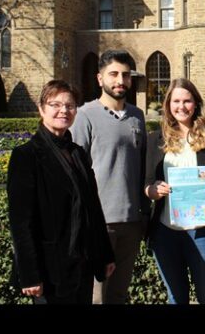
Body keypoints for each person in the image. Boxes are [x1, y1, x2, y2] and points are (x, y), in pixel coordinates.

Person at [7, 79, 115, 304]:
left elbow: (92, 207)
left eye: (70, 105)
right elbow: (21, 222)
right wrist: (29, 274)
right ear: (41, 109)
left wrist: (104, 254)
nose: (63, 110)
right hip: (50, 268)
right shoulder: (26, 156)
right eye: (55, 104)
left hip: (82, 264)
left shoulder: (78, 154)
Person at [70, 49, 149, 304]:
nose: (120, 81)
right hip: (99, 222)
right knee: (97, 296)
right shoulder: (84, 116)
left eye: (125, 75)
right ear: (100, 78)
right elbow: (76, 171)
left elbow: (142, 167)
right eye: (113, 74)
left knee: (118, 294)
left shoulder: (137, 116)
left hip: (131, 221)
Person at [144, 78, 205, 304]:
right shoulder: (155, 140)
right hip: (166, 232)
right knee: (176, 297)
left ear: (195, 104)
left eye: (187, 101)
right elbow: (147, 184)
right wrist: (154, 190)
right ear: (168, 105)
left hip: (203, 231)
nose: (181, 107)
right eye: (176, 101)